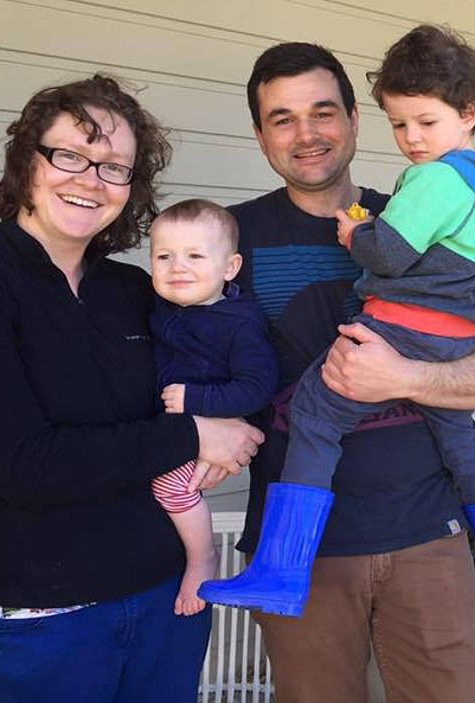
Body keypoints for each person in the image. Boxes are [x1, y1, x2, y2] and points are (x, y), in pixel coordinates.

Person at [198, 41, 475, 702]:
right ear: (261, 134)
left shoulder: (420, 209)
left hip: (429, 536)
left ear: (352, 117)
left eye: (323, 111)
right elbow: (193, 357)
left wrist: (403, 377)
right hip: (309, 556)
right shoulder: (227, 238)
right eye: (283, 118)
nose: (307, 132)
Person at [0, 74, 264, 703]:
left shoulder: (137, 292)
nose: (90, 179)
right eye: (70, 155)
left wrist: (231, 429)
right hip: (41, 624)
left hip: (166, 600)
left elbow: (217, 364)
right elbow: (26, 466)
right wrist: (192, 432)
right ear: (26, 160)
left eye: (114, 167)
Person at [148, 198, 278, 616]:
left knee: (168, 487)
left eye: (195, 256)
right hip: (172, 431)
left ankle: (202, 558)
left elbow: (258, 387)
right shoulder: (164, 311)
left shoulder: (239, 323)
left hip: (207, 427)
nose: (177, 267)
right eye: (163, 257)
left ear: (230, 268)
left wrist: (197, 400)